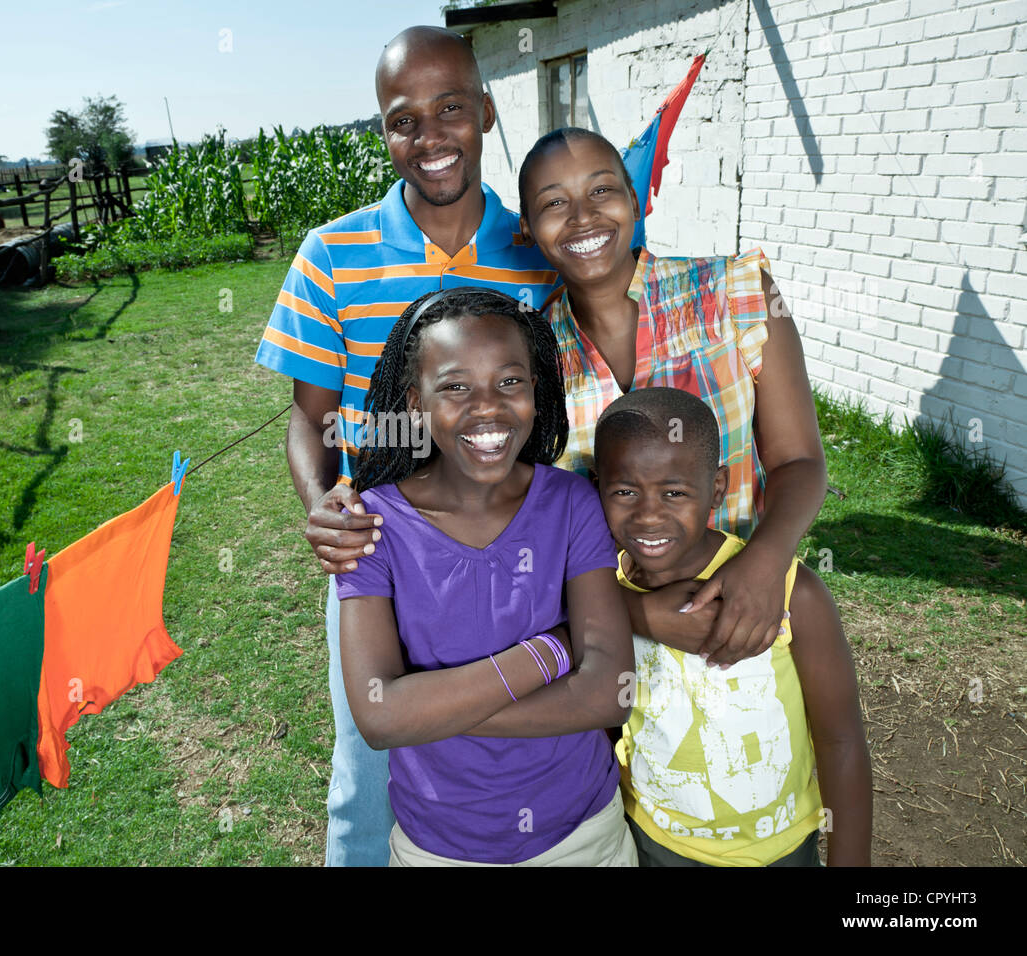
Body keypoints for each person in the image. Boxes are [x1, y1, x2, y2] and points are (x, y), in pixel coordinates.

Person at [254, 27, 558, 866]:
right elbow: (307, 418)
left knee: (517, 752)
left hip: (518, 553)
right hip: (384, 557)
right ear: (384, 133)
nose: (430, 137)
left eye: (451, 107)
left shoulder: (536, 257)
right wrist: (323, 508)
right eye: (403, 120)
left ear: (487, 111)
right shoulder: (332, 255)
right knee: (370, 765)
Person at [337, 287, 635, 866]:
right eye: (454, 386)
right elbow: (378, 717)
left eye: (509, 381)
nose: (488, 408)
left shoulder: (571, 503)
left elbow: (609, 693)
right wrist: (551, 654)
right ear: (414, 402)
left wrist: (432, 712)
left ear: (536, 388)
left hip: (582, 837)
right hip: (440, 849)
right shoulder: (373, 527)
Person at [517, 127, 827, 672]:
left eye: (601, 191)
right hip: (608, 650)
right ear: (527, 229)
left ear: (633, 201)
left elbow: (797, 460)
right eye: (553, 203)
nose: (582, 217)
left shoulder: (736, 295)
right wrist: (638, 613)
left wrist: (764, 562)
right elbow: (540, 535)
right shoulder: (533, 360)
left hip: (747, 621)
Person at [593, 387, 871, 866]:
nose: (648, 514)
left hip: (781, 848)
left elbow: (841, 739)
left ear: (718, 488)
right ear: (597, 485)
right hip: (651, 841)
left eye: (674, 492)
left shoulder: (790, 593)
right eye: (624, 491)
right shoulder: (601, 588)